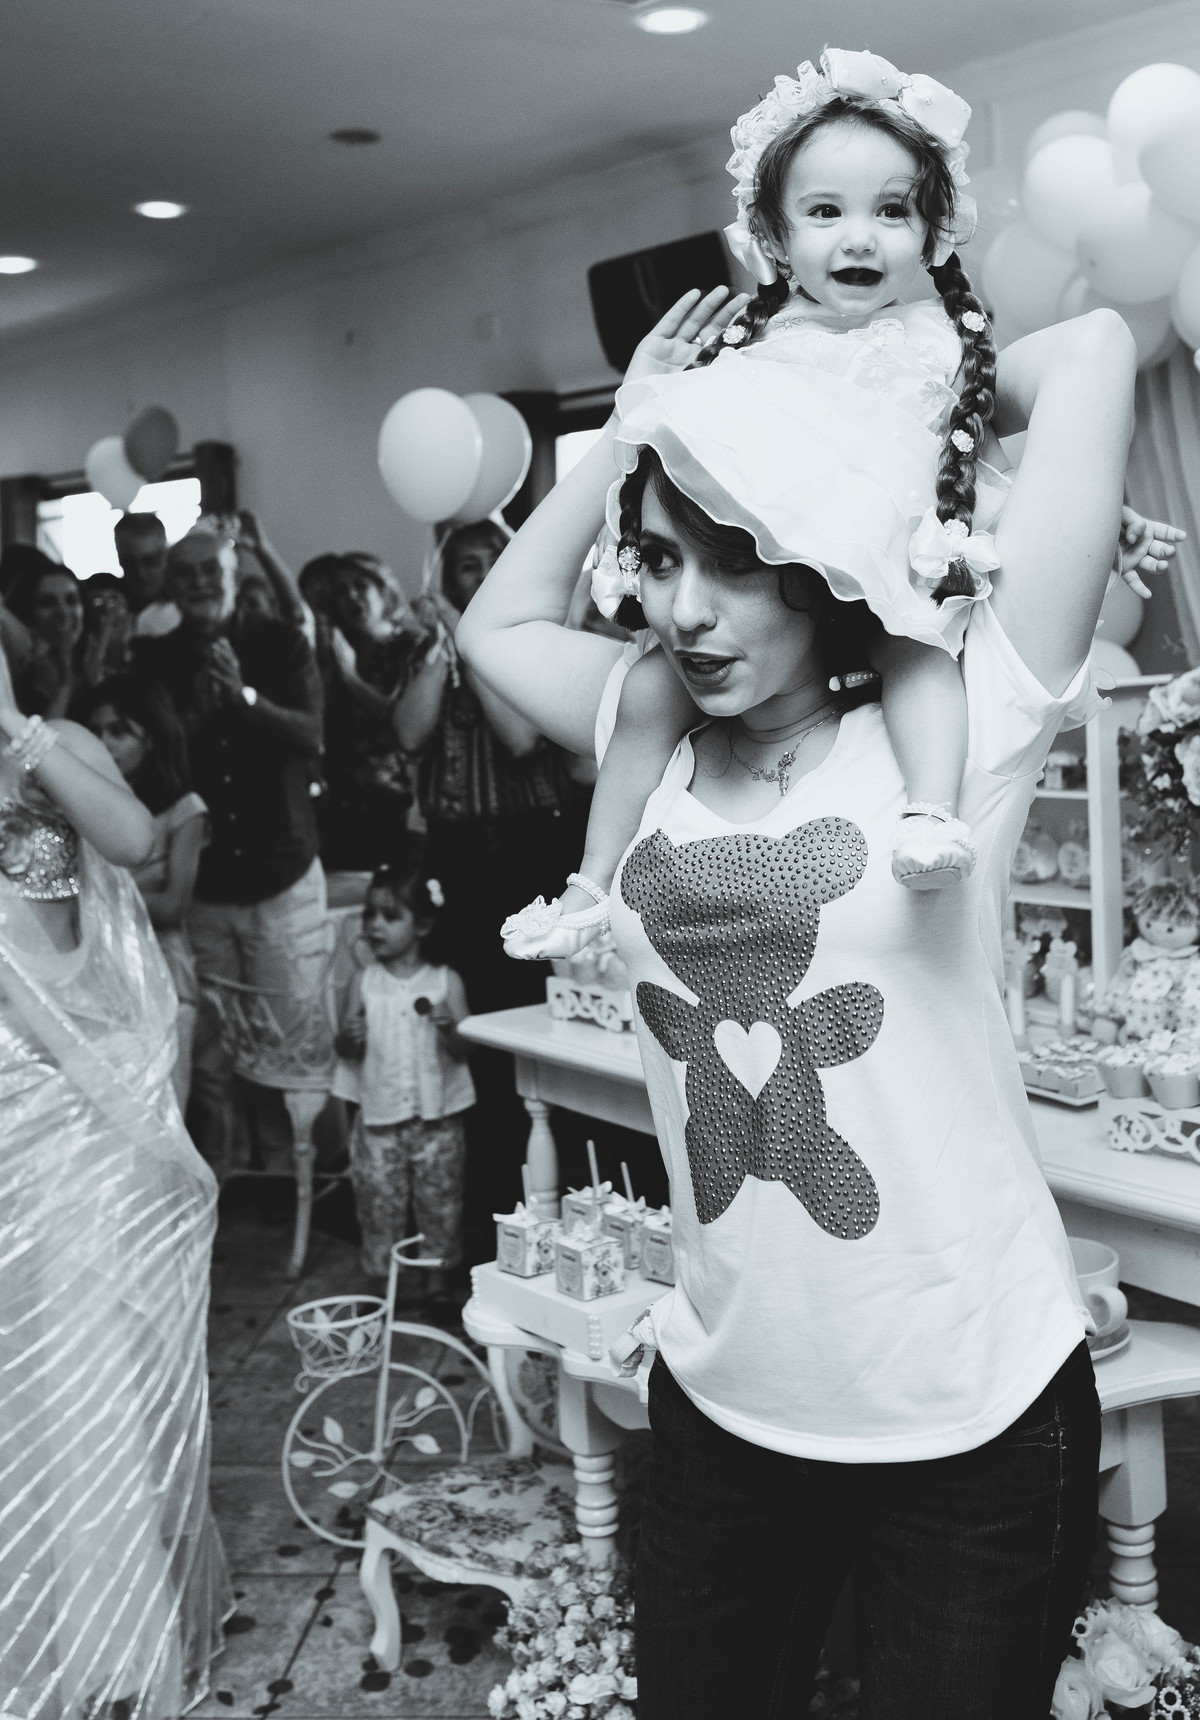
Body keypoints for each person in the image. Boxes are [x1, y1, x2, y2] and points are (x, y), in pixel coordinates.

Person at [456, 279, 1182, 1716]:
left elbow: (1095, 352)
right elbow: (496, 625)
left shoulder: (963, 718)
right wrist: (638, 421)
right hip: (725, 1398)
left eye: (736, 561)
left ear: (819, 552)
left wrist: (855, 388)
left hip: (969, 1408)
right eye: (663, 561)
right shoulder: (647, 734)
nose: (687, 610)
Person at [501, 50, 1164, 962]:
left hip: (884, 587)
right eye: (825, 212)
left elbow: (981, 459)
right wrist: (630, 410)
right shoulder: (752, 357)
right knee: (649, 688)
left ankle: (928, 812)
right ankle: (589, 885)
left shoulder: (935, 350)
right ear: (774, 239)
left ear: (931, 232)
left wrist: (1093, 513)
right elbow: (678, 483)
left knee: (916, 651)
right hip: (806, 582)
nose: (860, 239)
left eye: (891, 211)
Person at [0, 643, 230, 1719]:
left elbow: (136, 842)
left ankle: (107, 1643)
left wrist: (18, 731)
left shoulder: (55, 744)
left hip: (78, 1096)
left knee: (83, 1349)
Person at [395, 520, 578, 1253]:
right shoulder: (431, 645)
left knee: (522, 1022)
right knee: (466, 1027)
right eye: (465, 567)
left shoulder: (541, 644)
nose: (477, 576)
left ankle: (543, 1200)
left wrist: (471, 637)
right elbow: (409, 734)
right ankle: (476, 1220)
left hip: (527, 853)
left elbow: (522, 739)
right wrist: (445, 643)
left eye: (489, 562)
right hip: (456, 855)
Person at [136, 525, 327, 1164]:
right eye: (184, 574)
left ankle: (292, 1179)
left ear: (231, 574)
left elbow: (311, 735)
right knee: (215, 1055)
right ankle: (229, 1178)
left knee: (288, 1042)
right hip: (205, 883)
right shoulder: (155, 662)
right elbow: (156, 767)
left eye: (209, 571)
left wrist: (243, 697)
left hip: (280, 873)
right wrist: (197, 711)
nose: (198, 584)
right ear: (169, 584)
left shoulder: (280, 642)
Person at [331, 852, 474, 1297]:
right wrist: (349, 1037)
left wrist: (451, 1029)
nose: (375, 925)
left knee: (440, 1202)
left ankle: (435, 1278)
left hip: (437, 1121)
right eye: (369, 914)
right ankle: (384, 1283)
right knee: (377, 1203)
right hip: (378, 1121)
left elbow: (465, 1050)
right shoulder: (363, 982)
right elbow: (345, 1051)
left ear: (423, 926)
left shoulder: (445, 982)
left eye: (390, 916)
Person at [80, 673, 208, 1109]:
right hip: (98, 971)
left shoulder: (183, 809)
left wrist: (95, 900)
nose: (104, 743)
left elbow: (174, 905)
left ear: (150, 738)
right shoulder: (81, 805)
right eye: (95, 731)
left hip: (162, 967)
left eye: (118, 731)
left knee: (164, 1104)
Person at [318, 551, 431, 870]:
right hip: (342, 804)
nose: (351, 596)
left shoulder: (412, 646)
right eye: (341, 591)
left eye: (360, 585)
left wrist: (351, 678)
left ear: (383, 590)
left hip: (397, 802)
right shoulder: (338, 648)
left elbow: (403, 722)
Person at [6, 561, 88, 719]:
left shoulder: (95, 667)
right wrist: (65, 685)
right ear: (28, 612)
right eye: (47, 603)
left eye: (71, 600)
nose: (62, 612)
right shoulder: (17, 680)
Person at [115, 511, 180, 639]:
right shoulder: (108, 605)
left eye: (150, 561)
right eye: (129, 563)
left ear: (166, 555)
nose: (140, 573)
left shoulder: (186, 603)